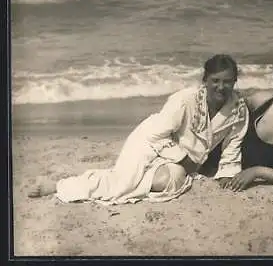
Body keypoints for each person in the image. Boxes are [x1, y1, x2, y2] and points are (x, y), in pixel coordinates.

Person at [28, 54, 250, 205]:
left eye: (228, 81)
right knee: (121, 185)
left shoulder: (238, 110)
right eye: (215, 81)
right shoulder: (184, 100)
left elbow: (233, 145)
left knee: (169, 182)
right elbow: (157, 135)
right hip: (150, 141)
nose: (221, 87)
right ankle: (58, 185)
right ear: (205, 80)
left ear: (235, 82)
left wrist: (226, 175)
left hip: (176, 160)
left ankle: (105, 179)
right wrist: (184, 160)